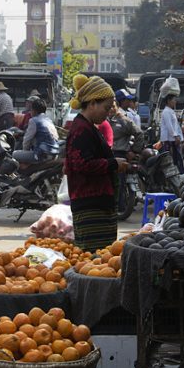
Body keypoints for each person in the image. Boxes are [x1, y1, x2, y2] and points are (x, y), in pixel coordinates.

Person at [65, 75, 129, 252]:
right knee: (94, 259)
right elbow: (82, 165)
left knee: (102, 258)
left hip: (98, 202)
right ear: (92, 103)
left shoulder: (88, 127)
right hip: (90, 205)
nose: (108, 112)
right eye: (106, 107)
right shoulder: (81, 130)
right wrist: (113, 163)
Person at [14, 98, 60, 164]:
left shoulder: (33, 121)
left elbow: (27, 140)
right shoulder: (48, 120)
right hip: (54, 154)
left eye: (31, 110)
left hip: (42, 155)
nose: (30, 112)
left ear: (34, 111)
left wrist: (24, 152)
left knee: (14, 154)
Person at [159, 93, 184, 174]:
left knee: (175, 158)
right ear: (168, 101)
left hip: (173, 139)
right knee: (170, 158)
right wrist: (175, 136)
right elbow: (169, 125)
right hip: (168, 139)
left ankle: (174, 173)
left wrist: (179, 136)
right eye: (174, 100)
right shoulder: (166, 112)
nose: (175, 102)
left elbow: (175, 126)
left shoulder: (171, 111)